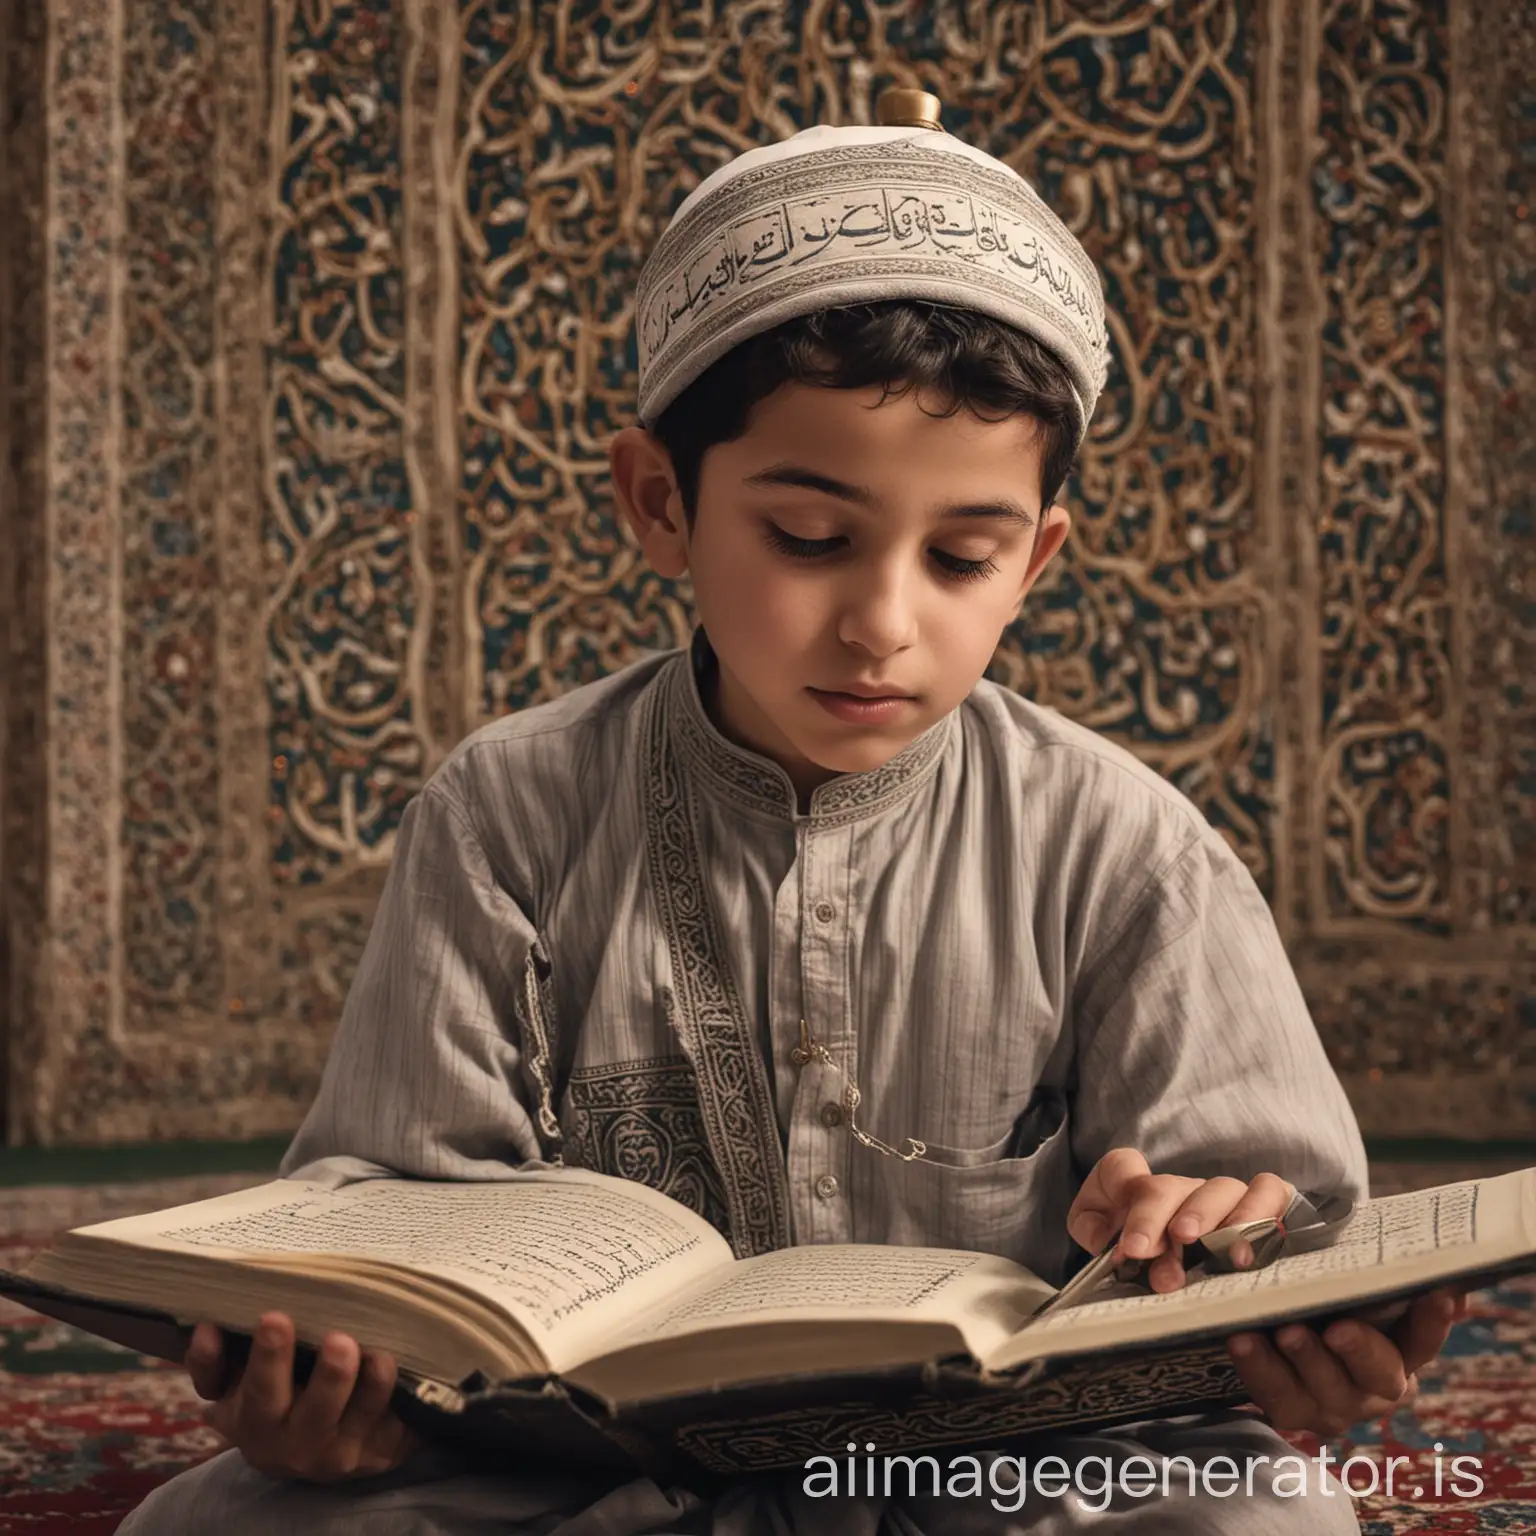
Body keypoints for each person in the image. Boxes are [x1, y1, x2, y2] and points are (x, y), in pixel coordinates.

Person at [120, 88, 1463, 1535]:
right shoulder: (506, 812)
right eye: (810, 537)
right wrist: (334, 1400)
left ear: (1040, 558)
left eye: (961, 556)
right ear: (660, 504)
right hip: (589, 1478)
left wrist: (1235, 1256)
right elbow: (389, 1219)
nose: (881, 623)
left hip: (993, 1481)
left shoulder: (1126, 849)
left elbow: (1283, 1226)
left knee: (1271, 1521)